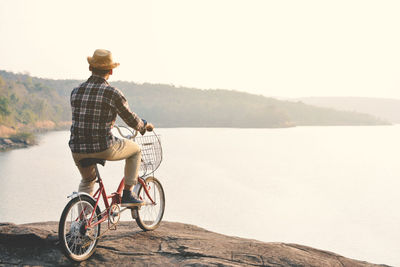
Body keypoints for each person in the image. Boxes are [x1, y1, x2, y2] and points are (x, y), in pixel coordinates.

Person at [69, 49, 153, 207]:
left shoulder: (76, 91)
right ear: (111, 71)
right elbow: (131, 120)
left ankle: (83, 222)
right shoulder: (112, 93)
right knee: (135, 150)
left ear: (90, 68)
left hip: (77, 149)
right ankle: (128, 194)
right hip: (102, 147)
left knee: (87, 181)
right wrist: (144, 125)